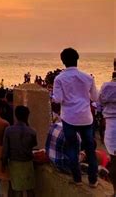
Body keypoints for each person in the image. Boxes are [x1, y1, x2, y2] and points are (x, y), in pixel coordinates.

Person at [53, 48, 99, 187]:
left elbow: (58, 99)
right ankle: (93, 180)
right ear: (77, 59)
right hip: (86, 117)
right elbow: (95, 98)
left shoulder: (59, 79)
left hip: (69, 118)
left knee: (72, 148)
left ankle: (77, 179)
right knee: (90, 149)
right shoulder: (88, 77)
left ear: (63, 61)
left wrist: (53, 97)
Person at [1, 106, 37, 197]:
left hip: (15, 163)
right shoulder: (32, 131)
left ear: (16, 115)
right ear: (27, 116)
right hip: (28, 162)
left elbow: (5, 150)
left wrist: (3, 163)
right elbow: (33, 145)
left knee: (17, 189)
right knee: (30, 188)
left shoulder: (8, 130)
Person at [98, 71, 116, 194]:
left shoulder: (108, 86)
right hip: (111, 125)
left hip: (112, 125)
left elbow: (100, 101)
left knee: (114, 161)